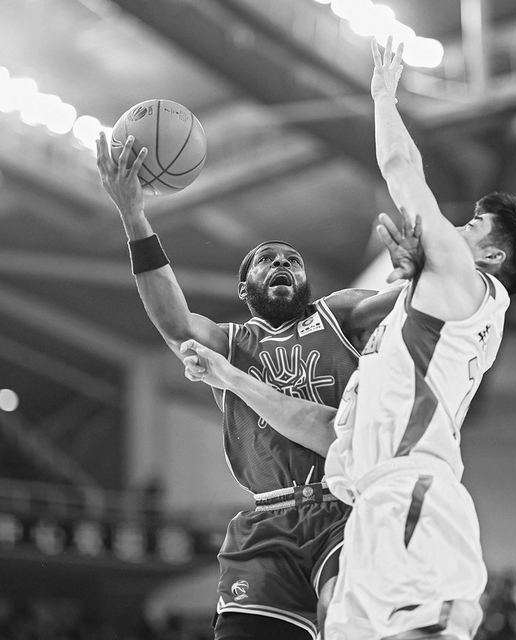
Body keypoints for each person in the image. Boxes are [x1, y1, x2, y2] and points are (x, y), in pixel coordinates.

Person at [179, 37, 516, 640]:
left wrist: (383, 97)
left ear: (492, 255)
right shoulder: (422, 320)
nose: (455, 228)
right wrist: (229, 377)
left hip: (412, 497)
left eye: (471, 225)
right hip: (370, 507)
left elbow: (402, 169)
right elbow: (320, 426)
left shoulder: (470, 283)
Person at [95, 128, 423, 640]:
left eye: (292, 261)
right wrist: (134, 216)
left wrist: (417, 273)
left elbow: (409, 303)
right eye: (268, 260)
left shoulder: (339, 313)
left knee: (345, 615)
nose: (282, 264)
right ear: (244, 288)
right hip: (267, 522)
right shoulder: (229, 343)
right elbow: (175, 324)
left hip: (345, 504)